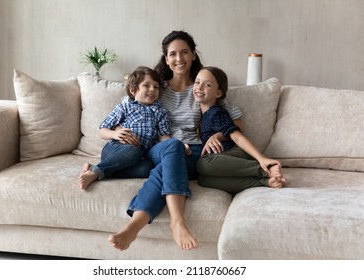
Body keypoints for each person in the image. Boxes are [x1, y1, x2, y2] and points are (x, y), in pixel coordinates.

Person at [108, 31, 243, 251]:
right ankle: (177, 221)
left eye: (184, 52)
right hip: (160, 148)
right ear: (166, 59)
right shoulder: (156, 88)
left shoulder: (202, 86)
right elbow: (128, 108)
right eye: (173, 54)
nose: (179, 58)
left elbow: (236, 121)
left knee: (163, 170)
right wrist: (117, 130)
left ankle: (134, 226)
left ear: (192, 56)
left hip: (196, 152)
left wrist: (218, 135)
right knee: (172, 145)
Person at [194, 66, 287, 194]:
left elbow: (237, 136)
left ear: (218, 93)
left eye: (207, 85)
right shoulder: (201, 114)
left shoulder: (216, 113)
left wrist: (262, 159)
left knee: (203, 163)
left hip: (235, 152)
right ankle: (264, 181)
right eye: (197, 82)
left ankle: (265, 169)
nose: (199, 87)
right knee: (204, 180)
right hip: (222, 157)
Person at [79, 66, 171, 190]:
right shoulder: (125, 107)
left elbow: (164, 136)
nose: (152, 89)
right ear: (133, 90)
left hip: (137, 157)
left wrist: (173, 145)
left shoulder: (161, 112)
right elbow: (103, 130)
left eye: (156, 87)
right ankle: (96, 171)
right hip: (115, 149)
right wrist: (114, 134)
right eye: (146, 85)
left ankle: (96, 169)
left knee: (148, 168)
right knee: (133, 151)